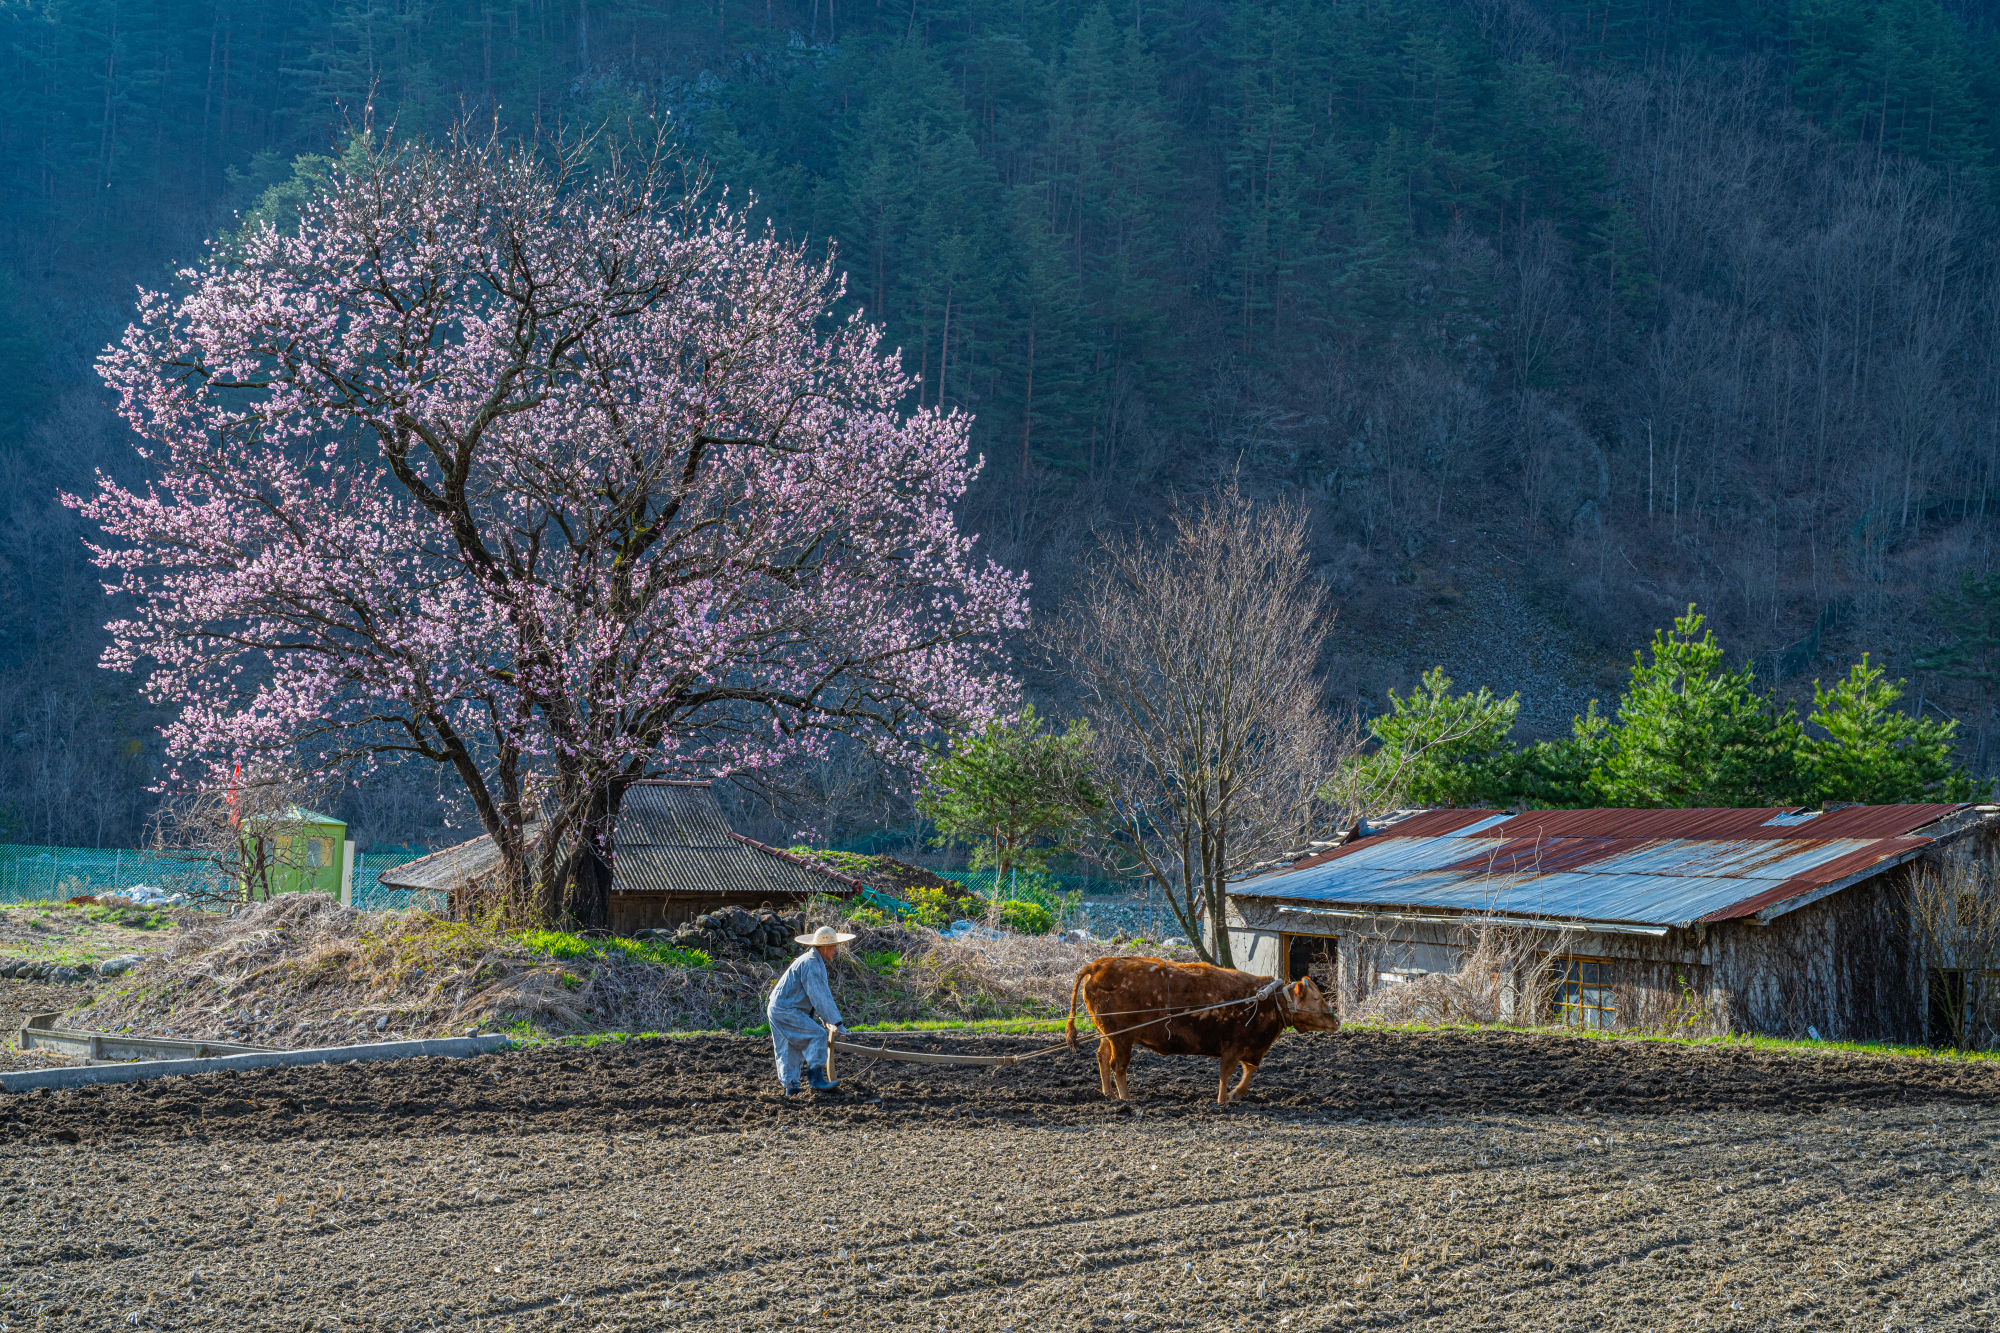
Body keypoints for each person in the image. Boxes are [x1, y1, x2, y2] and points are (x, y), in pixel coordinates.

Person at [767, 924, 854, 1096]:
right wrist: (837, 1023)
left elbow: (817, 999)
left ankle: (791, 1088)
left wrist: (829, 1021)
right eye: (834, 945)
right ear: (824, 946)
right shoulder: (811, 965)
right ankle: (816, 1079)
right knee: (817, 1035)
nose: (836, 949)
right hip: (786, 1009)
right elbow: (821, 997)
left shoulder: (812, 961)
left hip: (780, 1008)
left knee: (790, 1047)